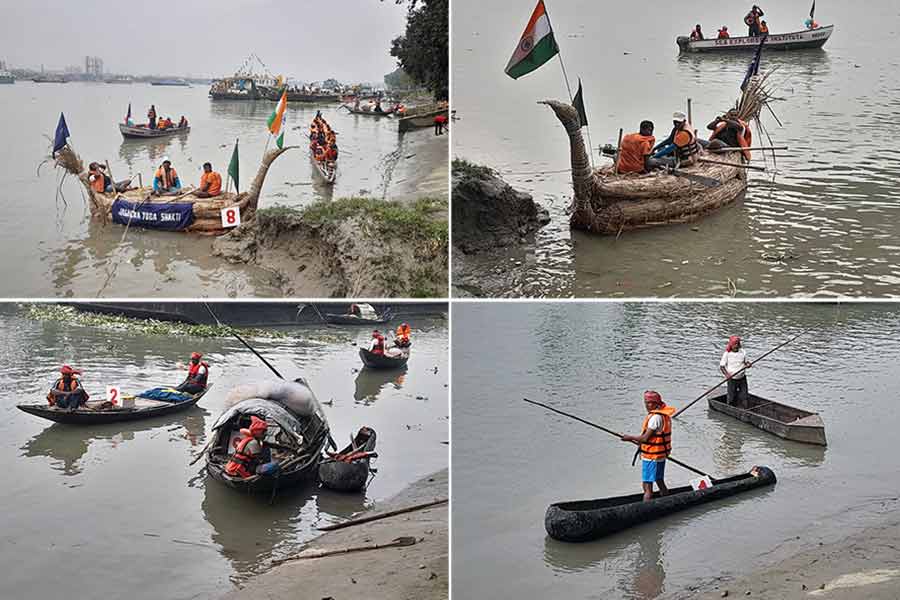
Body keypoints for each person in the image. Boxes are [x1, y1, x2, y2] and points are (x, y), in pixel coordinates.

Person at [621, 391, 676, 502]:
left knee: (647, 486)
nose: (646, 405)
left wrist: (629, 437)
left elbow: (645, 438)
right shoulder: (663, 415)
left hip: (652, 457)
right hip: (659, 455)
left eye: (649, 403)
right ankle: (667, 501)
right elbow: (651, 438)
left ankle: (645, 507)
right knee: (659, 480)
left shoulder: (655, 418)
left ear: (656, 403)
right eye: (645, 402)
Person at [720, 336, 752, 407]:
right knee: (731, 397)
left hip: (742, 378)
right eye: (734, 344)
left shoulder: (743, 352)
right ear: (731, 345)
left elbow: (745, 362)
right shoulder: (727, 354)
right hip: (732, 379)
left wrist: (748, 365)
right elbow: (722, 366)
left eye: (737, 344)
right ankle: (729, 408)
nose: (736, 346)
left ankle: (745, 409)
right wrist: (727, 375)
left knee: (744, 396)